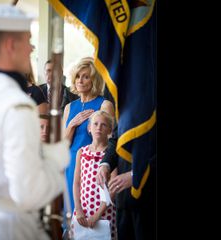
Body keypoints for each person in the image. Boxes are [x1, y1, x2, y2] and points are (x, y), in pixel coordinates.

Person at [0, 4, 70, 240]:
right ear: (10, 46)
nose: (32, 48)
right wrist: (54, 159)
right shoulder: (17, 104)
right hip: (11, 229)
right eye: (28, 40)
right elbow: (28, 193)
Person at [63, 57, 115, 213]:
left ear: (94, 80)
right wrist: (72, 125)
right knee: (73, 213)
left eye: (86, 76)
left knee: (93, 214)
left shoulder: (105, 104)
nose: (80, 80)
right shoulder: (69, 107)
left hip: (95, 165)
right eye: (78, 76)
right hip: (72, 163)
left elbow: (111, 139)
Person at [97, 125, 156, 240]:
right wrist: (105, 164)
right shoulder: (124, 106)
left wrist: (136, 175)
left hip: (151, 197)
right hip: (123, 197)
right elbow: (116, 140)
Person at [72, 110, 118, 239]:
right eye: (95, 124)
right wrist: (78, 209)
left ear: (110, 130)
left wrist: (98, 214)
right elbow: (76, 183)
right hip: (83, 212)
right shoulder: (82, 152)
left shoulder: (111, 156)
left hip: (104, 212)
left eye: (103, 125)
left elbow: (113, 188)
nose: (99, 127)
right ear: (89, 128)